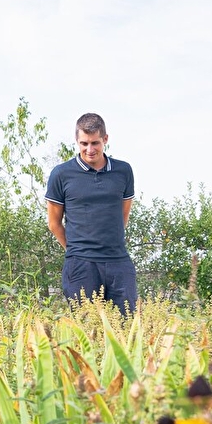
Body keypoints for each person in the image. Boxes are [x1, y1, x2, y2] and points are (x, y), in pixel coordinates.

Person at [44, 113, 137, 315]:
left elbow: (123, 216)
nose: (89, 149)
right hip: (80, 266)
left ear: (105, 139)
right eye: (83, 143)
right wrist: (77, 250)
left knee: (127, 327)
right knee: (87, 330)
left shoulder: (124, 171)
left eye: (95, 143)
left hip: (118, 261)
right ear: (77, 141)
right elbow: (54, 223)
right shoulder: (61, 174)